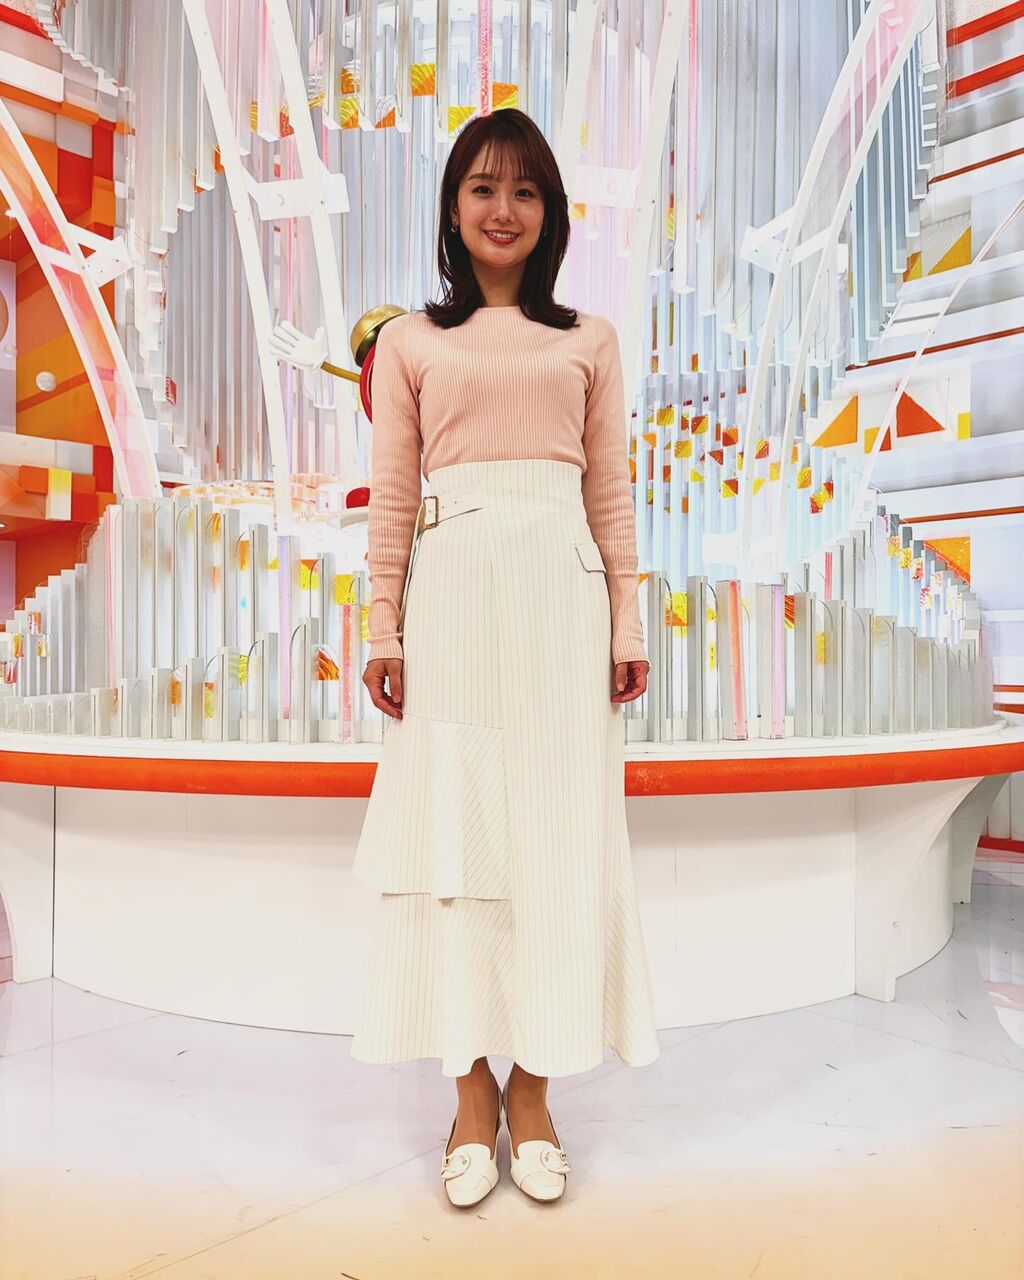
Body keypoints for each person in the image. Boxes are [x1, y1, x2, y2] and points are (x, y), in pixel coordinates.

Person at [349, 107, 660, 1207]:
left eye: (524, 190)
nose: (503, 208)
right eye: (482, 187)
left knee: (557, 844)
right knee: (459, 839)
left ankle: (534, 1088)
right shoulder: (409, 343)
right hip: (454, 603)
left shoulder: (588, 340)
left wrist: (627, 620)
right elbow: (393, 497)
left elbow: (609, 491)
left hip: (562, 603)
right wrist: (381, 627)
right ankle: (468, 1092)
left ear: (550, 213)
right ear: (451, 207)